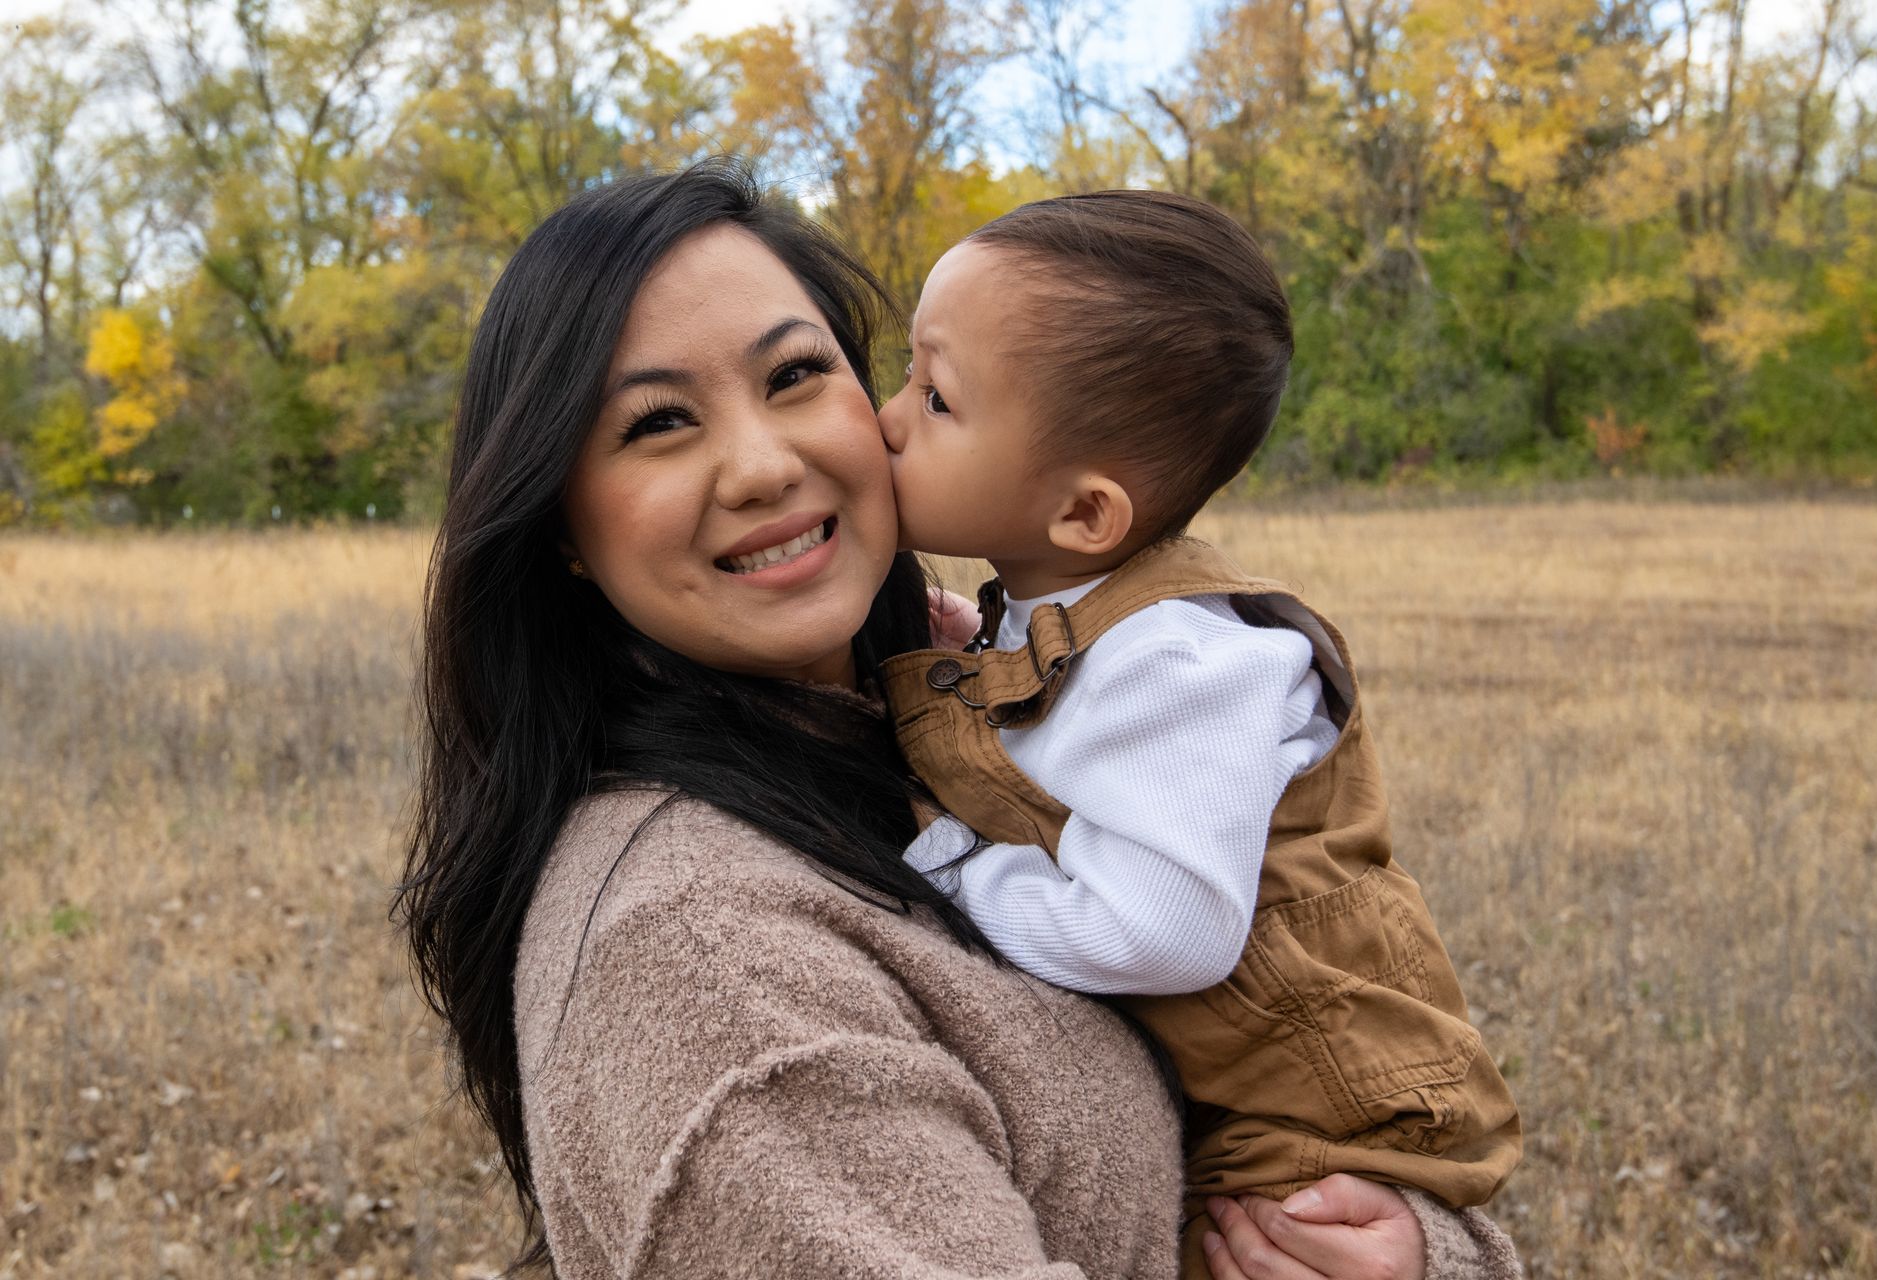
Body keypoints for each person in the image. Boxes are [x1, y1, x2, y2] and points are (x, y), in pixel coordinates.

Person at [395, 159, 1523, 1279]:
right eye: (656, 423)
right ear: (558, 529)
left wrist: (1411, 1251)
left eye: (795, 373)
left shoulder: (990, 691)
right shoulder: (707, 949)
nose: (763, 463)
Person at [873, 190, 1522, 1277]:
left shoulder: (1177, 657)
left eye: (935, 397)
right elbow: (1068, 762)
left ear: (1084, 514)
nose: (888, 416)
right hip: (1239, 1098)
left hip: (1318, 1121)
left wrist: (951, 870)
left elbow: (1166, 926)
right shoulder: (1059, 609)